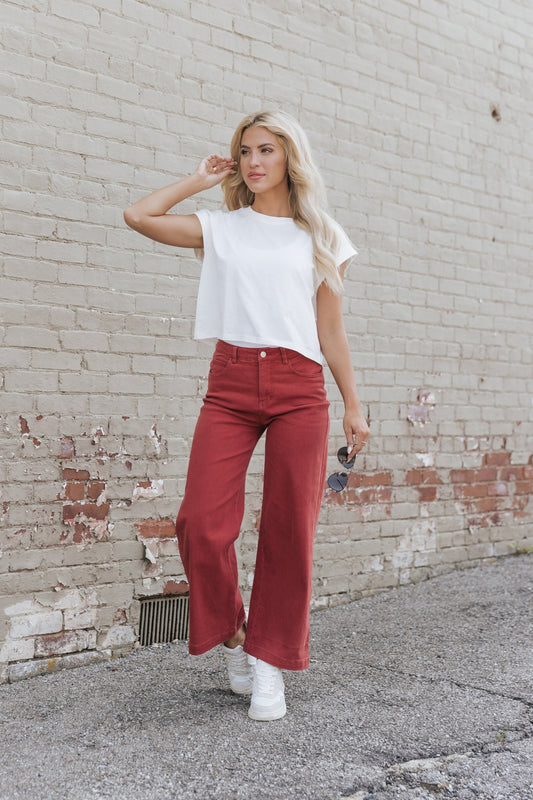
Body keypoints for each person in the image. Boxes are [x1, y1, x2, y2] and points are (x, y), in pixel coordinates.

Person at [124, 110, 369, 721]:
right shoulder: (222, 227)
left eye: (266, 149)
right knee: (200, 523)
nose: (254, 161)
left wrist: (353, 404)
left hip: (299, 386)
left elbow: (330, 329)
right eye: (245, 151)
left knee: (290, 530)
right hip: (231, 382)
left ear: (290, 157)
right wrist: (198, 180)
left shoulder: (323, 236)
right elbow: (139, 216)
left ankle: (269, 662)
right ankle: (235, 635)